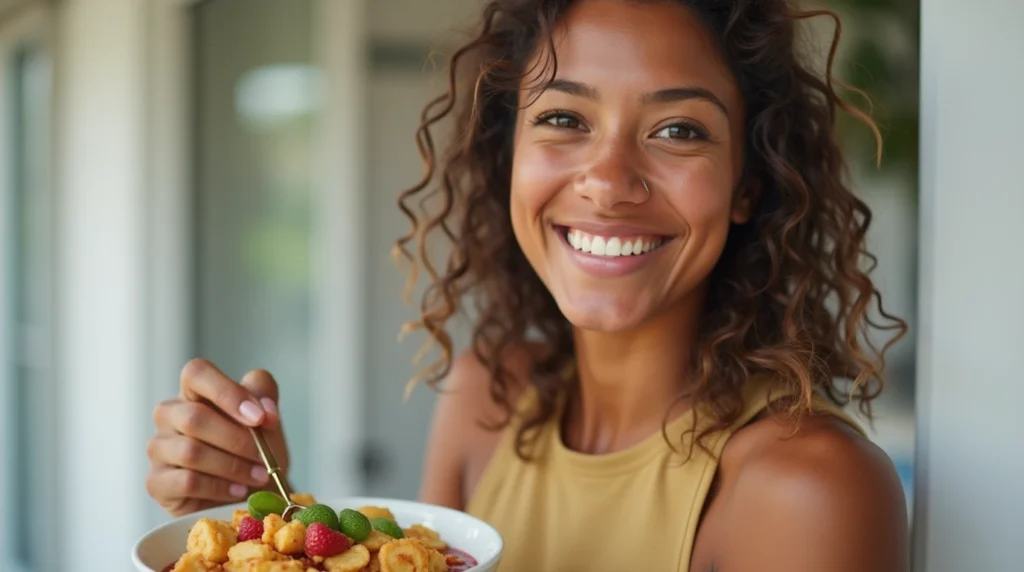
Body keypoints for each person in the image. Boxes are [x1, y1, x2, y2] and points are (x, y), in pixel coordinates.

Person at [145, 0, 912, 570]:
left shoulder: (811, 489)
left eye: (678, 129)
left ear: (749, 184)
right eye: (565, 119)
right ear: (507, 154)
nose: (608, 183)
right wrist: (255, 530)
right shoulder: (486, 396)